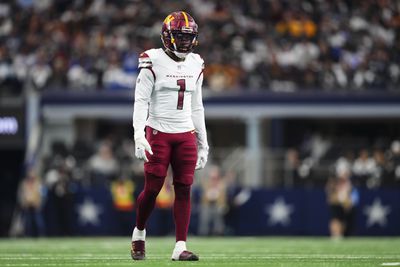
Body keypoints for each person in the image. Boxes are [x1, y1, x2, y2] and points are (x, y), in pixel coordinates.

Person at [130, 11, 208, 261]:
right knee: (152, 189)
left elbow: (197, 106)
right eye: (178, 36)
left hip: (186, 133)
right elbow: (140, 101)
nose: (184, 42)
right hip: (159, 131)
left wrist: (203, 142)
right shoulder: (152, 60)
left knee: (184, 189)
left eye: (188, 37)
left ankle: (180, 247)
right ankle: (139, 232)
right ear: (166, 36)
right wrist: (138, 135)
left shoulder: (196, 63)